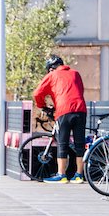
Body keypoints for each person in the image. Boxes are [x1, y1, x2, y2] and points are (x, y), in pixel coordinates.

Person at [32, 55, 88, 184]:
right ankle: (79, 175)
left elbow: (37, 93)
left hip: (64, 111)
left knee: (62, 143)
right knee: (80, 143)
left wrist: (43, 106)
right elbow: (79, 90)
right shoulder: (76, 73)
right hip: (80, 109)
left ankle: (61, 175)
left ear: (51, 68)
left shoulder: (52, 75)